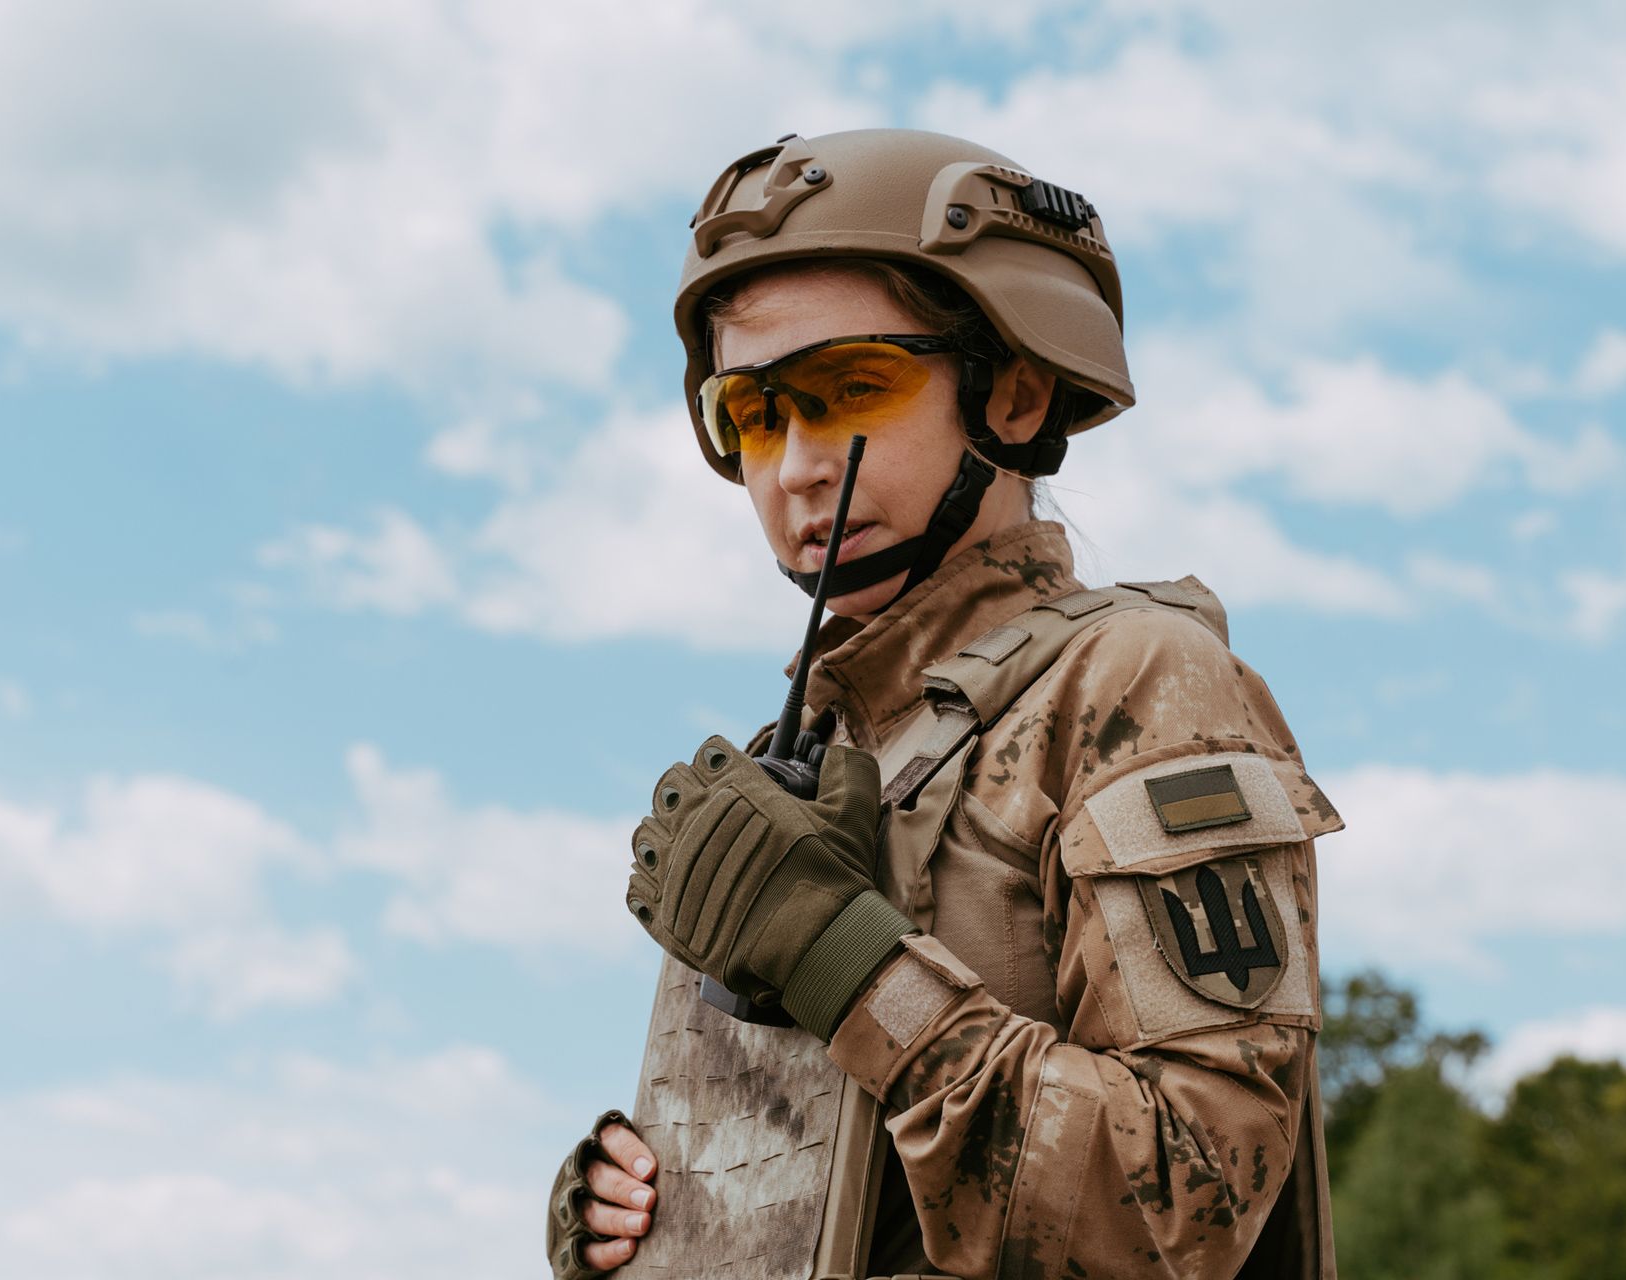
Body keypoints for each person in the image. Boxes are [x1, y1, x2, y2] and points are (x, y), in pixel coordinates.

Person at [545, 129, 1345, 1280]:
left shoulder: (1134, 684)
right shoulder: (812, 749)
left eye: (850, 389)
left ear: (1014, 393)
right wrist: (653, 1217)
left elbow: (1186, 1205)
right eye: (754, 415)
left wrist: (844, 960)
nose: (797, 466)